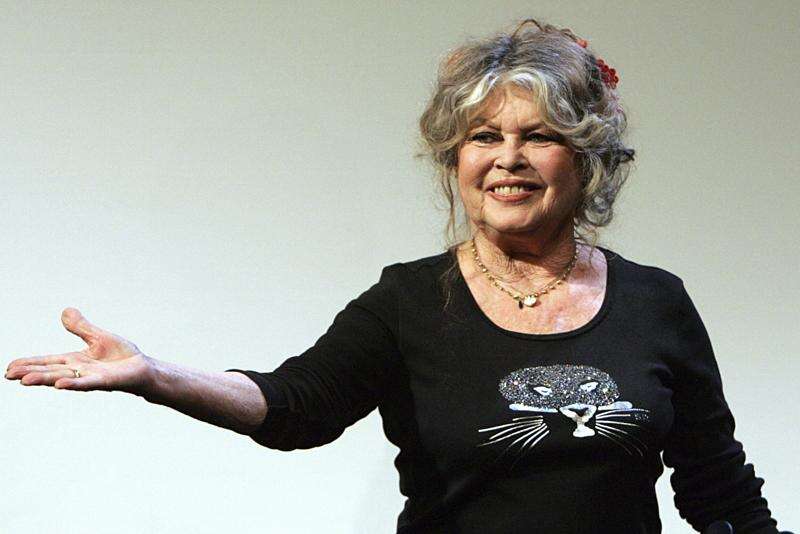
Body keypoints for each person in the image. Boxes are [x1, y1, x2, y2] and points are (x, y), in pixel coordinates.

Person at [4, 17, 789, 534]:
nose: (509, 159)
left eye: (539, 137)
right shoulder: (409, 302)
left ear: (584, 160)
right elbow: (293, 405)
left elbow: (716, 483)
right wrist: (152, 375)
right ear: (455, 161)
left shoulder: (654, 301)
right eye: (484, 137)